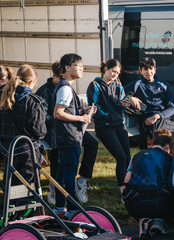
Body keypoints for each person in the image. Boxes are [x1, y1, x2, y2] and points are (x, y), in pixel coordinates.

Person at [35, 62, 98, 204]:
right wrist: (78, 117)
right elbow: (47, 118)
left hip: (71, 128)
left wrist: (82, 111)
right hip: (54, 130)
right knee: (60, 159)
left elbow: (68, 111)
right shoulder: (47, 91)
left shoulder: (66, 86)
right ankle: (56, 188)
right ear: (55, 76)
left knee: (92, 143)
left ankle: (81, 181)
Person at [0, 64, 46, 210]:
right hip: (27, 149)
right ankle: (21, 215)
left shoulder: (0, 96)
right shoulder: (33, 101)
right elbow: (40, 132)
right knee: (26, 185)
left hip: (6, 147)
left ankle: (7, 212)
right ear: (31, 82)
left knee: (11, 182)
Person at [52, 53, 94, 218]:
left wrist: (82, 111)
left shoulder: (66, 87)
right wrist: (81, 117)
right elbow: (58, 113)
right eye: (78, 65)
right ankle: (70, 210)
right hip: (69, 138)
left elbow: (65, 111)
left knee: (62, 173)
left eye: (82, 65)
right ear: (67, 68)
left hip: (67, 138)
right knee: (69, 174)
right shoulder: (65, 88)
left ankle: (59, 208)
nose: (82, 68)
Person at [87, 59, 131, 192]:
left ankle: (128, 186)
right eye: (113, 71)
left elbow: (121, 107)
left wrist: (124, 104)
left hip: (118, 124)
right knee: (121, 157)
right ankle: (122, 188)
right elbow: (94, 107)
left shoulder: (118, 87)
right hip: (104, 126)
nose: (115, 75)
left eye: (117, 73)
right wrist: (109, 116)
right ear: (106, 69)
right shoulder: (94, 85)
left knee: (128, 158)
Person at [122, 129, 173, 239]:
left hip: (135, 203)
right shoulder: (168, 158)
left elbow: (126, 182)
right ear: (168, 146)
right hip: (159, 203)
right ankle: (158, 219)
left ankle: (143, 219)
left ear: (152, 142)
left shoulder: (136, 156)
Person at [125, 57, 174, 149]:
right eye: (145, 69)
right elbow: (118, 94)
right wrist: (131, 98)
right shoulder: (137, 84)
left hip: (164, 119)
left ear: (155, 70)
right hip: (149, 122)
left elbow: (171, 108)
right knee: (169, 143)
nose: (148, 72)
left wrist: (158, 116)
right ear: (140, 71)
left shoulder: (164, 85)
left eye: (151, 69)